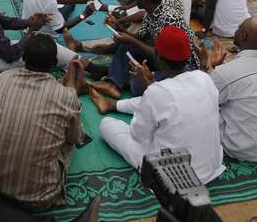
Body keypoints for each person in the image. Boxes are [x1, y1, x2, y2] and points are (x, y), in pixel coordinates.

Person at [94, 26, 225, 184]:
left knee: (107, 124)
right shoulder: (204, 78)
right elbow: (170, 99)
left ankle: (113, 106)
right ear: (188, 56)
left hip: (172, 176)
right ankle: (114, 105)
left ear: (156, 55)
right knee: (159, 106)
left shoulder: (156, 92)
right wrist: (152, 89)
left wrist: (149, 89)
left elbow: (138, 135)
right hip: (212, 167)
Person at [0, 34, 84, 210]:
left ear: (24, 57)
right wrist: (72, 90)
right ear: (54, 63)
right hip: (39, 197)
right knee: (69, 139)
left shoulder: (2, 79)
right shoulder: (65, 96)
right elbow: (75, 138)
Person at [91, 0, 198, 98]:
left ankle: (117, 77)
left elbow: (161, 54)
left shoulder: (168, 18)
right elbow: (139, 37)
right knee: (126, 46)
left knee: (137, 85)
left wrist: (131, 40)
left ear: (146, 1)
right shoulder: (150, 13)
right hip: (162, 60)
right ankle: (113, 84)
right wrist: (120, 28)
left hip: (178, 67)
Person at [205, 18, 257, 162]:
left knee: (202, 108)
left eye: (238, 28)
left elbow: (205, 98)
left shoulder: (227, 72)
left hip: (241, 148)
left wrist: (210, 68)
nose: (236, 31)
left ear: (243, 35)